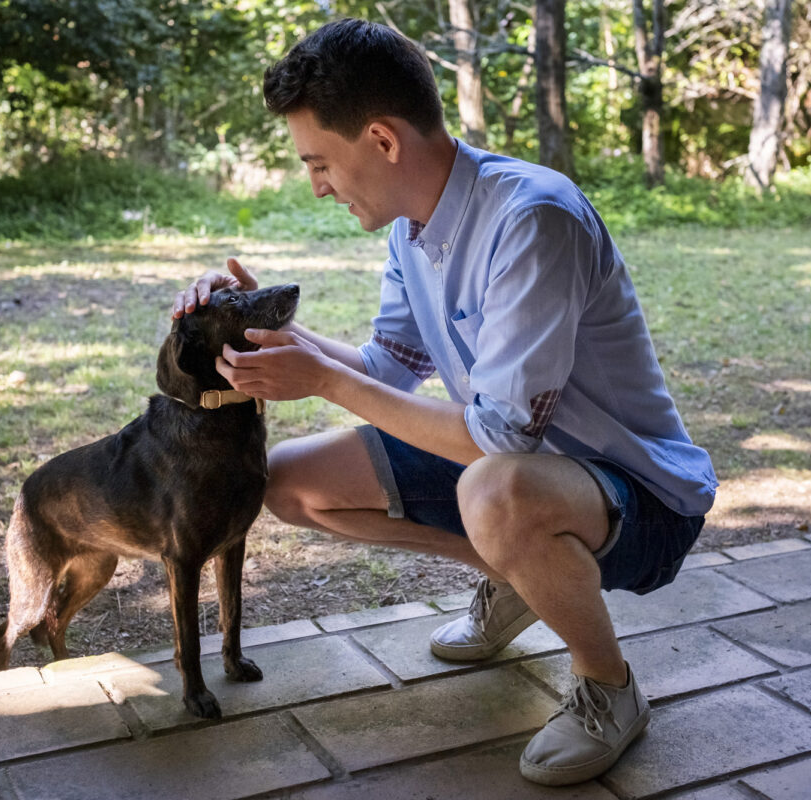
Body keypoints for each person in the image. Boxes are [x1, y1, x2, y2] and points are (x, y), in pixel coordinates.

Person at [172, 18, 716, 786]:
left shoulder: (533, 219)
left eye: (319, 162)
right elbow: (388, 369)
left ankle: (606, 687)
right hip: (522, 474)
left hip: (642, 505)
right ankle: (527, 579)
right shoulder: (413, 228)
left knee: (497, 489)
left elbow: (498, 438)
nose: (317, 184)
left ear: (383, 140)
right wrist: (258, 322)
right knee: (289, 483)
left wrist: (325, 381)